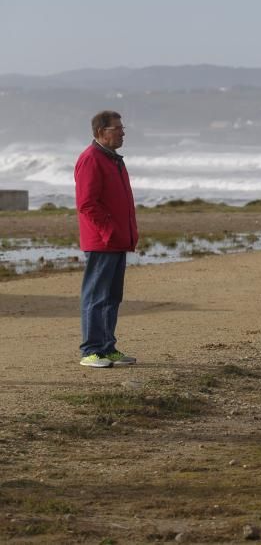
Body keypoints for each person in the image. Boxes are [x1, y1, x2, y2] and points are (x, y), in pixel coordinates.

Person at [75, 110, 139, 368]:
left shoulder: (114, 160)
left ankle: (107, 347)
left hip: (117, 241)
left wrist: (127, 231)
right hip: (102, 242)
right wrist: (109, 231)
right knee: (96, 296)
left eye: (122, 127)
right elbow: (87, 204)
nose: (123, 132)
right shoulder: (91, 159)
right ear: (102, 131)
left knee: (112, 297)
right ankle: (91, 350)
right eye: (117, 128)